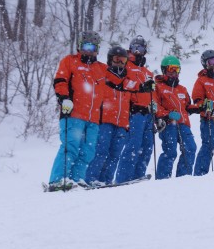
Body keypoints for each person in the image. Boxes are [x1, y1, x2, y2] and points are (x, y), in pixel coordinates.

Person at [47, 30, 123, 191]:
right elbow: (60, 80)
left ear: (97, 49)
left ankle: (77, 179)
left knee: (88, 151)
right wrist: (64, 98)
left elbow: (119, 82)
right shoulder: (70, 61)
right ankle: (58, 180)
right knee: (71, 147)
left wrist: (141, 86)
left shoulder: (101, 68)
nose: (89, 50)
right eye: (86, 46)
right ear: (80, 46)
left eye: (92, 47)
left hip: (94, 118)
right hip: (74, 114)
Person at [85, 46, 131, 186]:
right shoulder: (102, 76)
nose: (119, 63)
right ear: (110, 60)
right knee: (101, 151)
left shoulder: (128, 81)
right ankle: (91, 179)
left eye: (123, 60)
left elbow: (135, 99)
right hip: (104, 120)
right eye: (116, 59)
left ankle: (106, 180)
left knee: (115, 154)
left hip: (122, 123)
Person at [115, 35, 156, 183]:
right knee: (133, 145)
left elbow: (153, 94)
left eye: (141, 48)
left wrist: (155, 111)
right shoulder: (126, 66)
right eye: (135, 48)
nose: (137, 51)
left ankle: (138, 175)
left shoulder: (148, 72)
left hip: (148, 114)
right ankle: (123, 177)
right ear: (130, 49)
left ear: (145, 51)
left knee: (147, 147)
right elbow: (122, 83)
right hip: (134, 111)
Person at [154, 56, 200, 179]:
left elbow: (187, 107)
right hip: (168, 123)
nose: (174, 72)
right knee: (170, 152)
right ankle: (163, 179)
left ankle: (183, 177)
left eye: (177, 69)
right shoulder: (158, 87)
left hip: (183, 123)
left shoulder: (182, 89)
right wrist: (166, 114)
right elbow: (155, 105)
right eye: (171, 69)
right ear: (164, 70)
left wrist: (201, 107)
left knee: (190, 148)